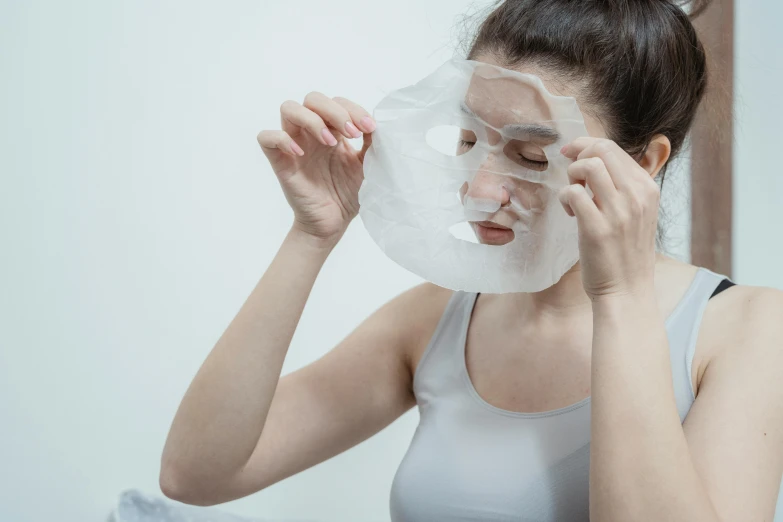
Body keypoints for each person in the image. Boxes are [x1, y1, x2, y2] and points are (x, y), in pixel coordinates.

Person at [160, 1, 783, 520]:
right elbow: (197, 472)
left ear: (645, 163)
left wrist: (618, 297)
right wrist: (310, 235)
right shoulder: (440, 317)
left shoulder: (749, 330)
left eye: (534, 158)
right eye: (468, 140)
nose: (480, 188)